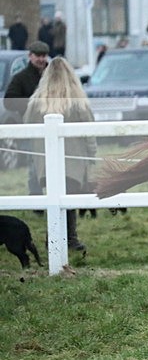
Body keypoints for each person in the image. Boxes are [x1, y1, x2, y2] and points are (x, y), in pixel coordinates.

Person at [23, 57, 96, 252]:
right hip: (72, 162)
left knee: (56, 199)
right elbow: (89, 131)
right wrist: (91, 155)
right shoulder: (78, 103)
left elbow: (27, 128)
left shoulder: (37, 102)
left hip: (45, 162)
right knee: (68, 200)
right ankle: (66, 238)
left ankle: (59, 238)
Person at [3, 41, 50, 203]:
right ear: (30, 56)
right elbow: (9, 101)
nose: (41, 59)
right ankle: (36, 200)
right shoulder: (21, 78)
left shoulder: (53, 76)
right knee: (34, 164)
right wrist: (33, 104)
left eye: (43, 56)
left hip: (54, 125)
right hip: (32, 127)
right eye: (38, 56)